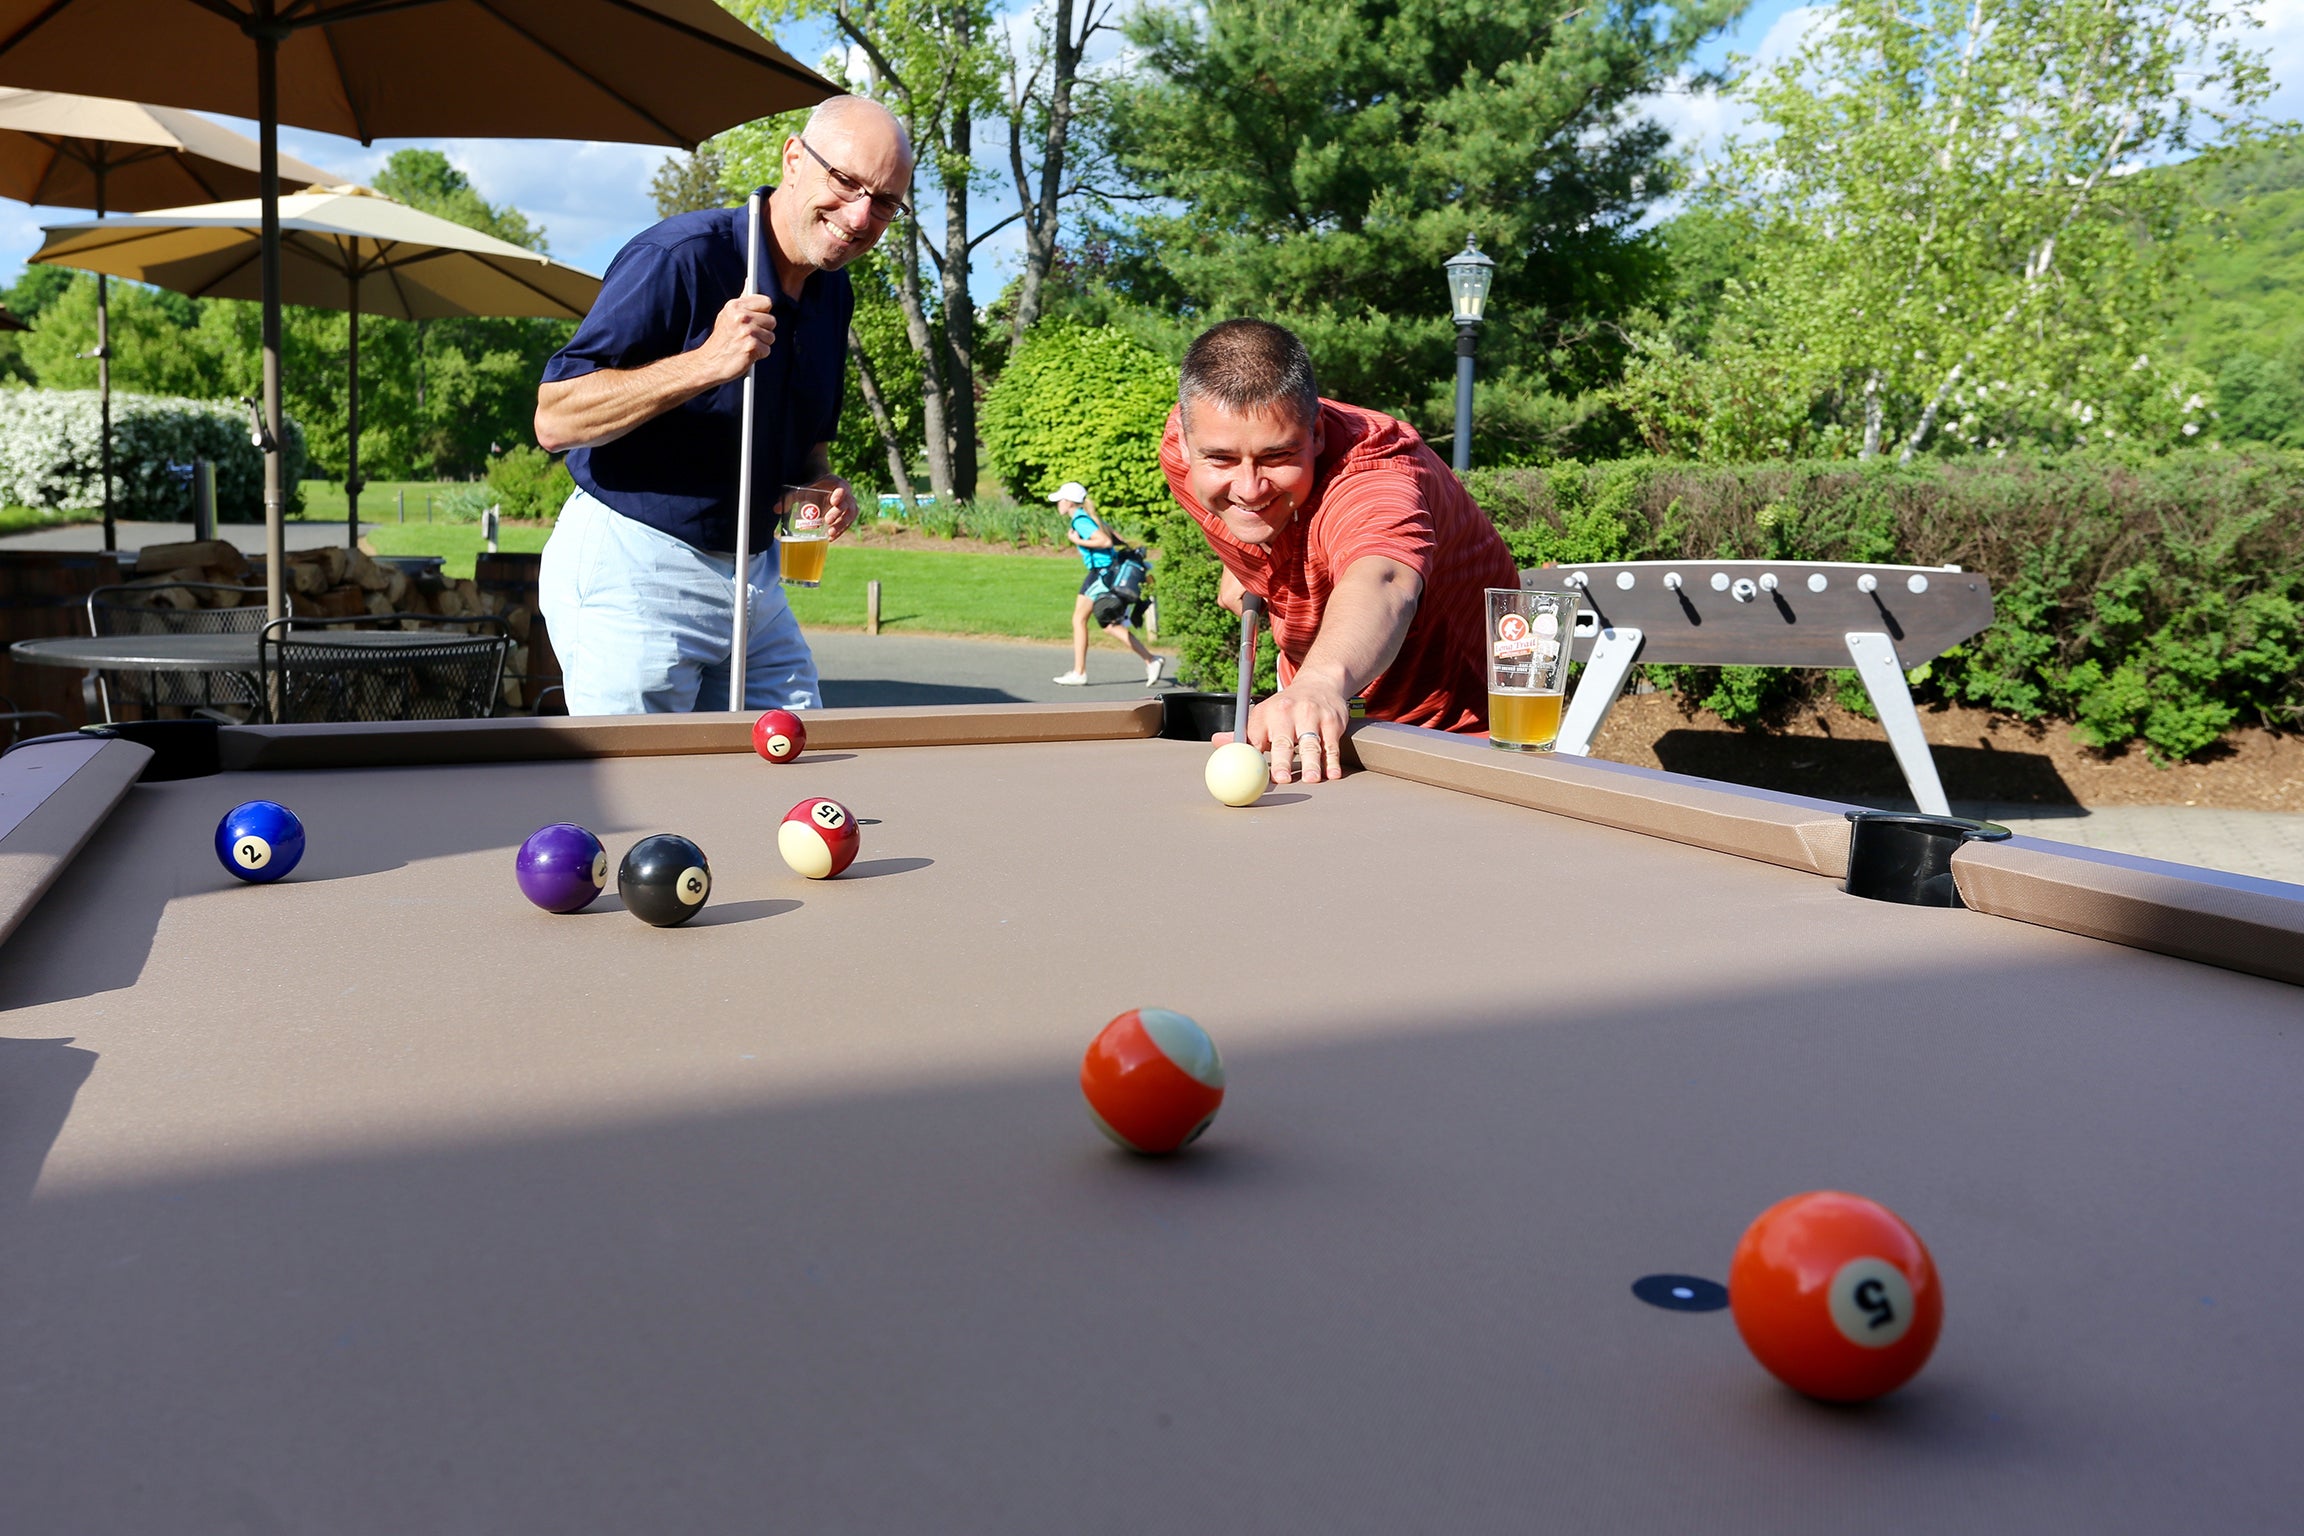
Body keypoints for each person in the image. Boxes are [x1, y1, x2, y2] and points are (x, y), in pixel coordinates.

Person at [531, 95, 914, 714]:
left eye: (885, 202)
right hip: (637, 566)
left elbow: (809, 445)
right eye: (846, 181)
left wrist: (819, 485)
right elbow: (556, 418)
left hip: (754, 576)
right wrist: (706, 363)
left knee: (792, 756)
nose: (861, 215)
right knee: (647, 795)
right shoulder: (681, 257)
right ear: (795, 158)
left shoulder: (831, 293)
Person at [1159, 318, 1519, 784]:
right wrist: (1250, 557)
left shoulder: (1375, 475)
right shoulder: (1183, 446)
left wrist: (1320, 682)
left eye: (1277, 457)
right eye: (1222, 459)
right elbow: (1253, 512)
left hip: (1452, 741)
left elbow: (1383, 578)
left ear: (1318, 434)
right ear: (1186, 443)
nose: (1248, 489)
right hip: (1315, 722)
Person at [1050, 481, 1166, 688]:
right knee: (1110, 626)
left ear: (1068, 502)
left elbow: (1104, 541)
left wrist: (1078, 541)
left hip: (1101, 575)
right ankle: (1151, 659)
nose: (1058, 503)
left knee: (1079, 619)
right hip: (1107, 572)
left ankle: (1079, 672)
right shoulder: (1088, 516)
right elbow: (1116, 537)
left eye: (1060, 499)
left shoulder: (1079, 520)